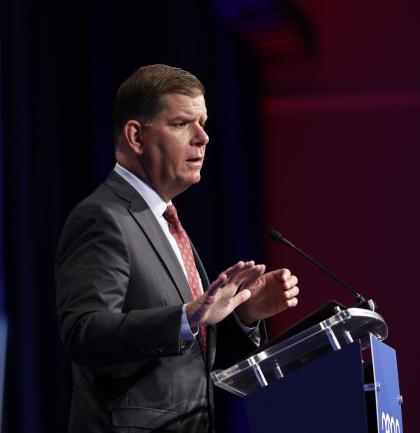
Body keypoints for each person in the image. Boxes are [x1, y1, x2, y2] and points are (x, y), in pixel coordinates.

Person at [55, 64, 300, 433]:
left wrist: (244, 316)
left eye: (203, 123)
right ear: (136, 137)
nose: (202, 137)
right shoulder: (103, 217)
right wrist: (187, 316)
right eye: (182, 123)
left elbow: (192, 357)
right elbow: (85, 333)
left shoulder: (166, 222)